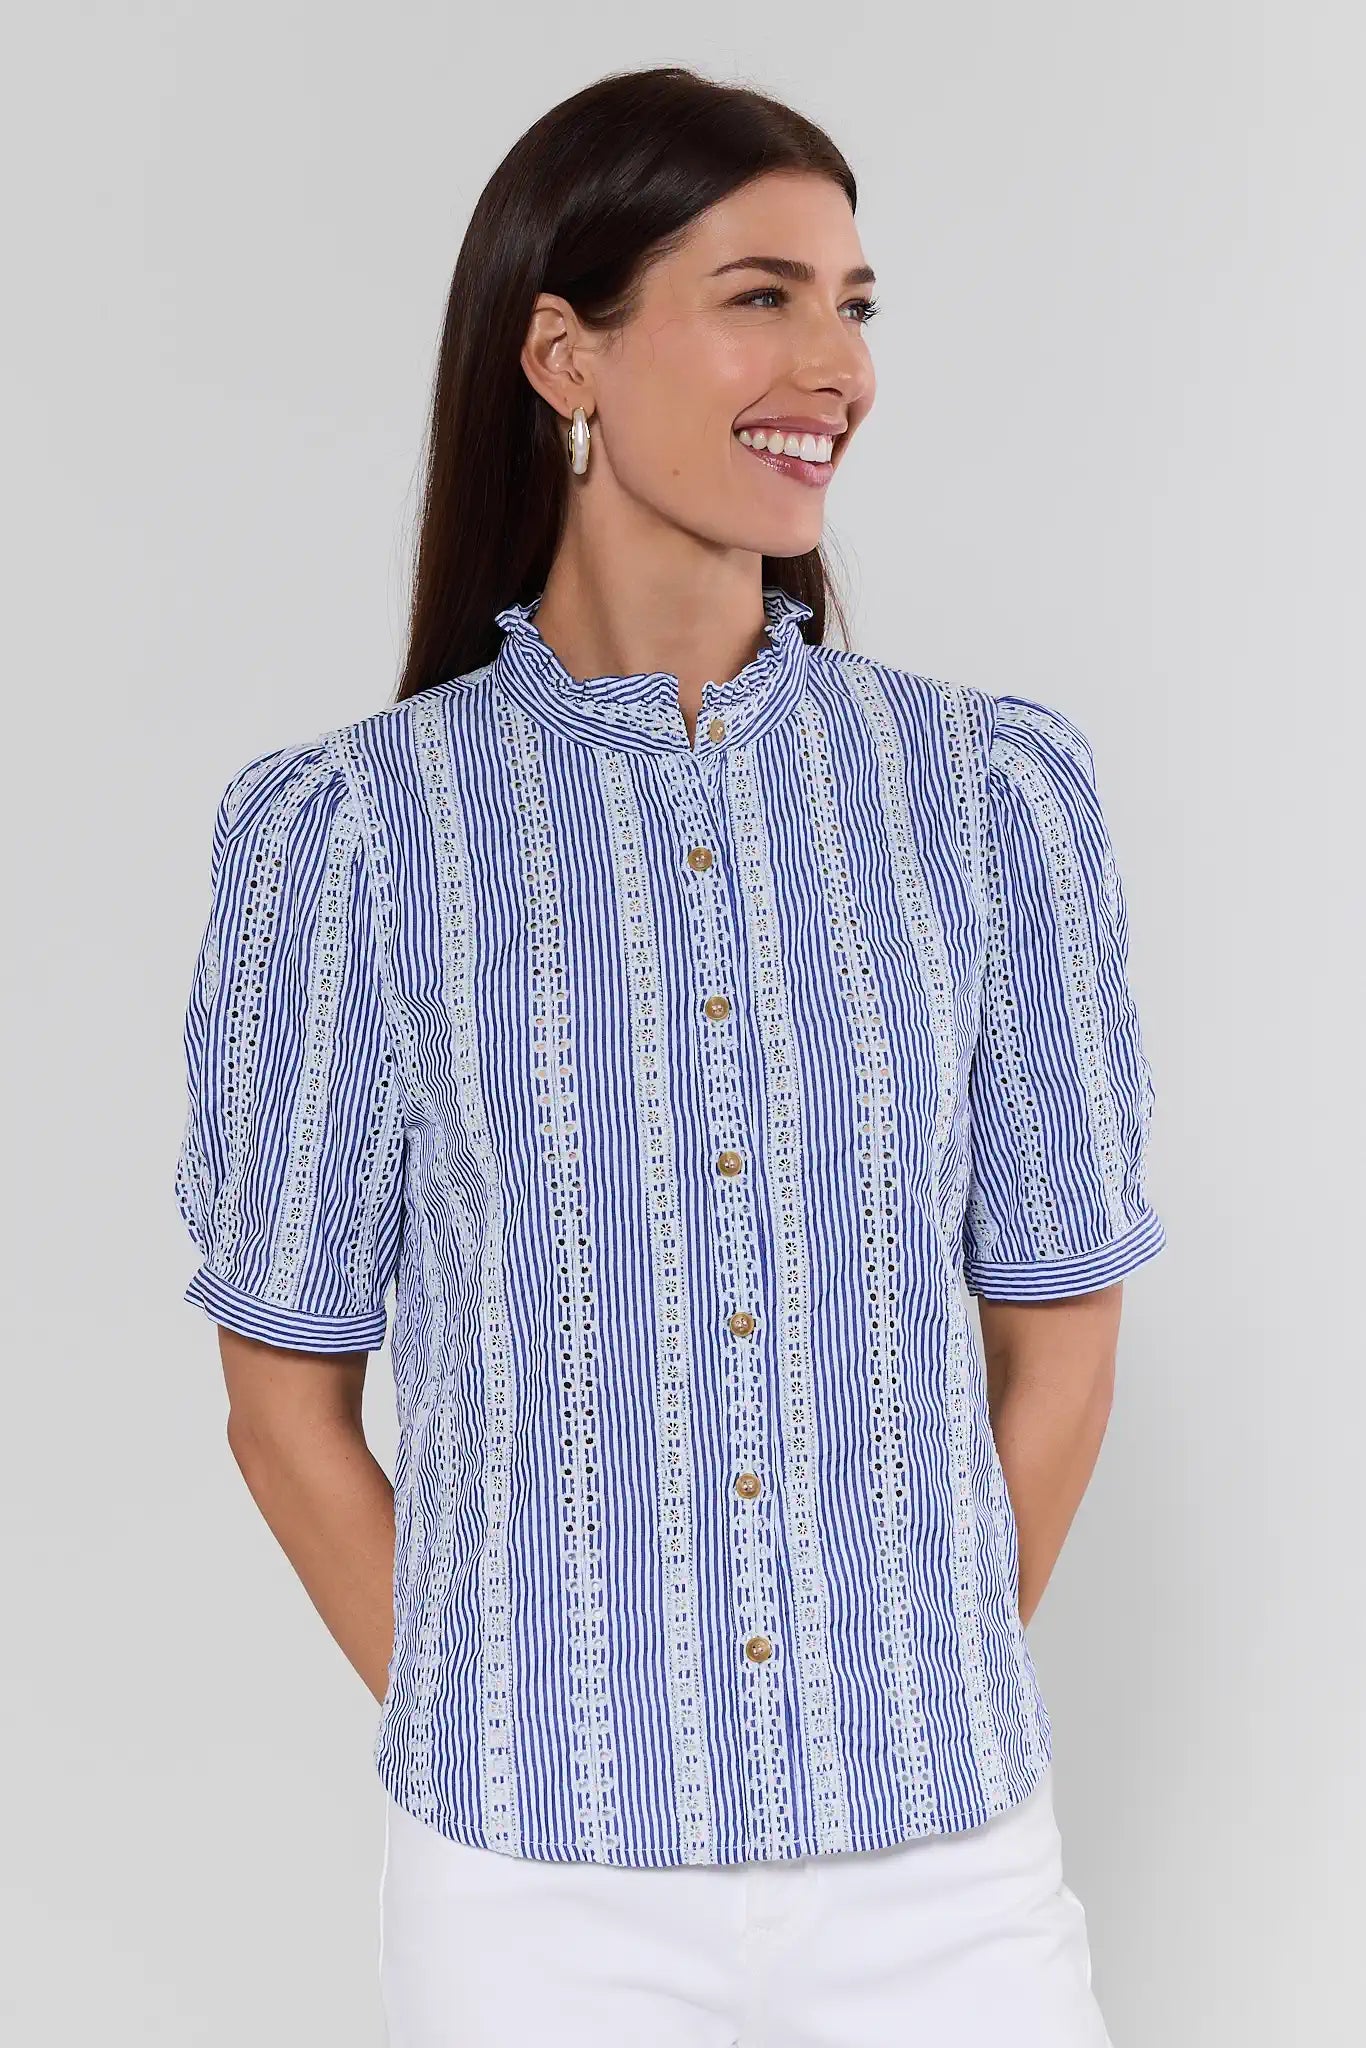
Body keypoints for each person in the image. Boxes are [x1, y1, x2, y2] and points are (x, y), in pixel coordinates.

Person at [173, 63, 1166, 2048]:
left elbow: (1055, 1338)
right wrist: (511, 1725)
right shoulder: (357, 836)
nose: (833, 363)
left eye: (853, 303)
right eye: (759, 296)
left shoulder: (981, 800)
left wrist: (891, 1676)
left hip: (942, 1879)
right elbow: (282, 1402)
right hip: (531, 1899)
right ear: (566, 354)